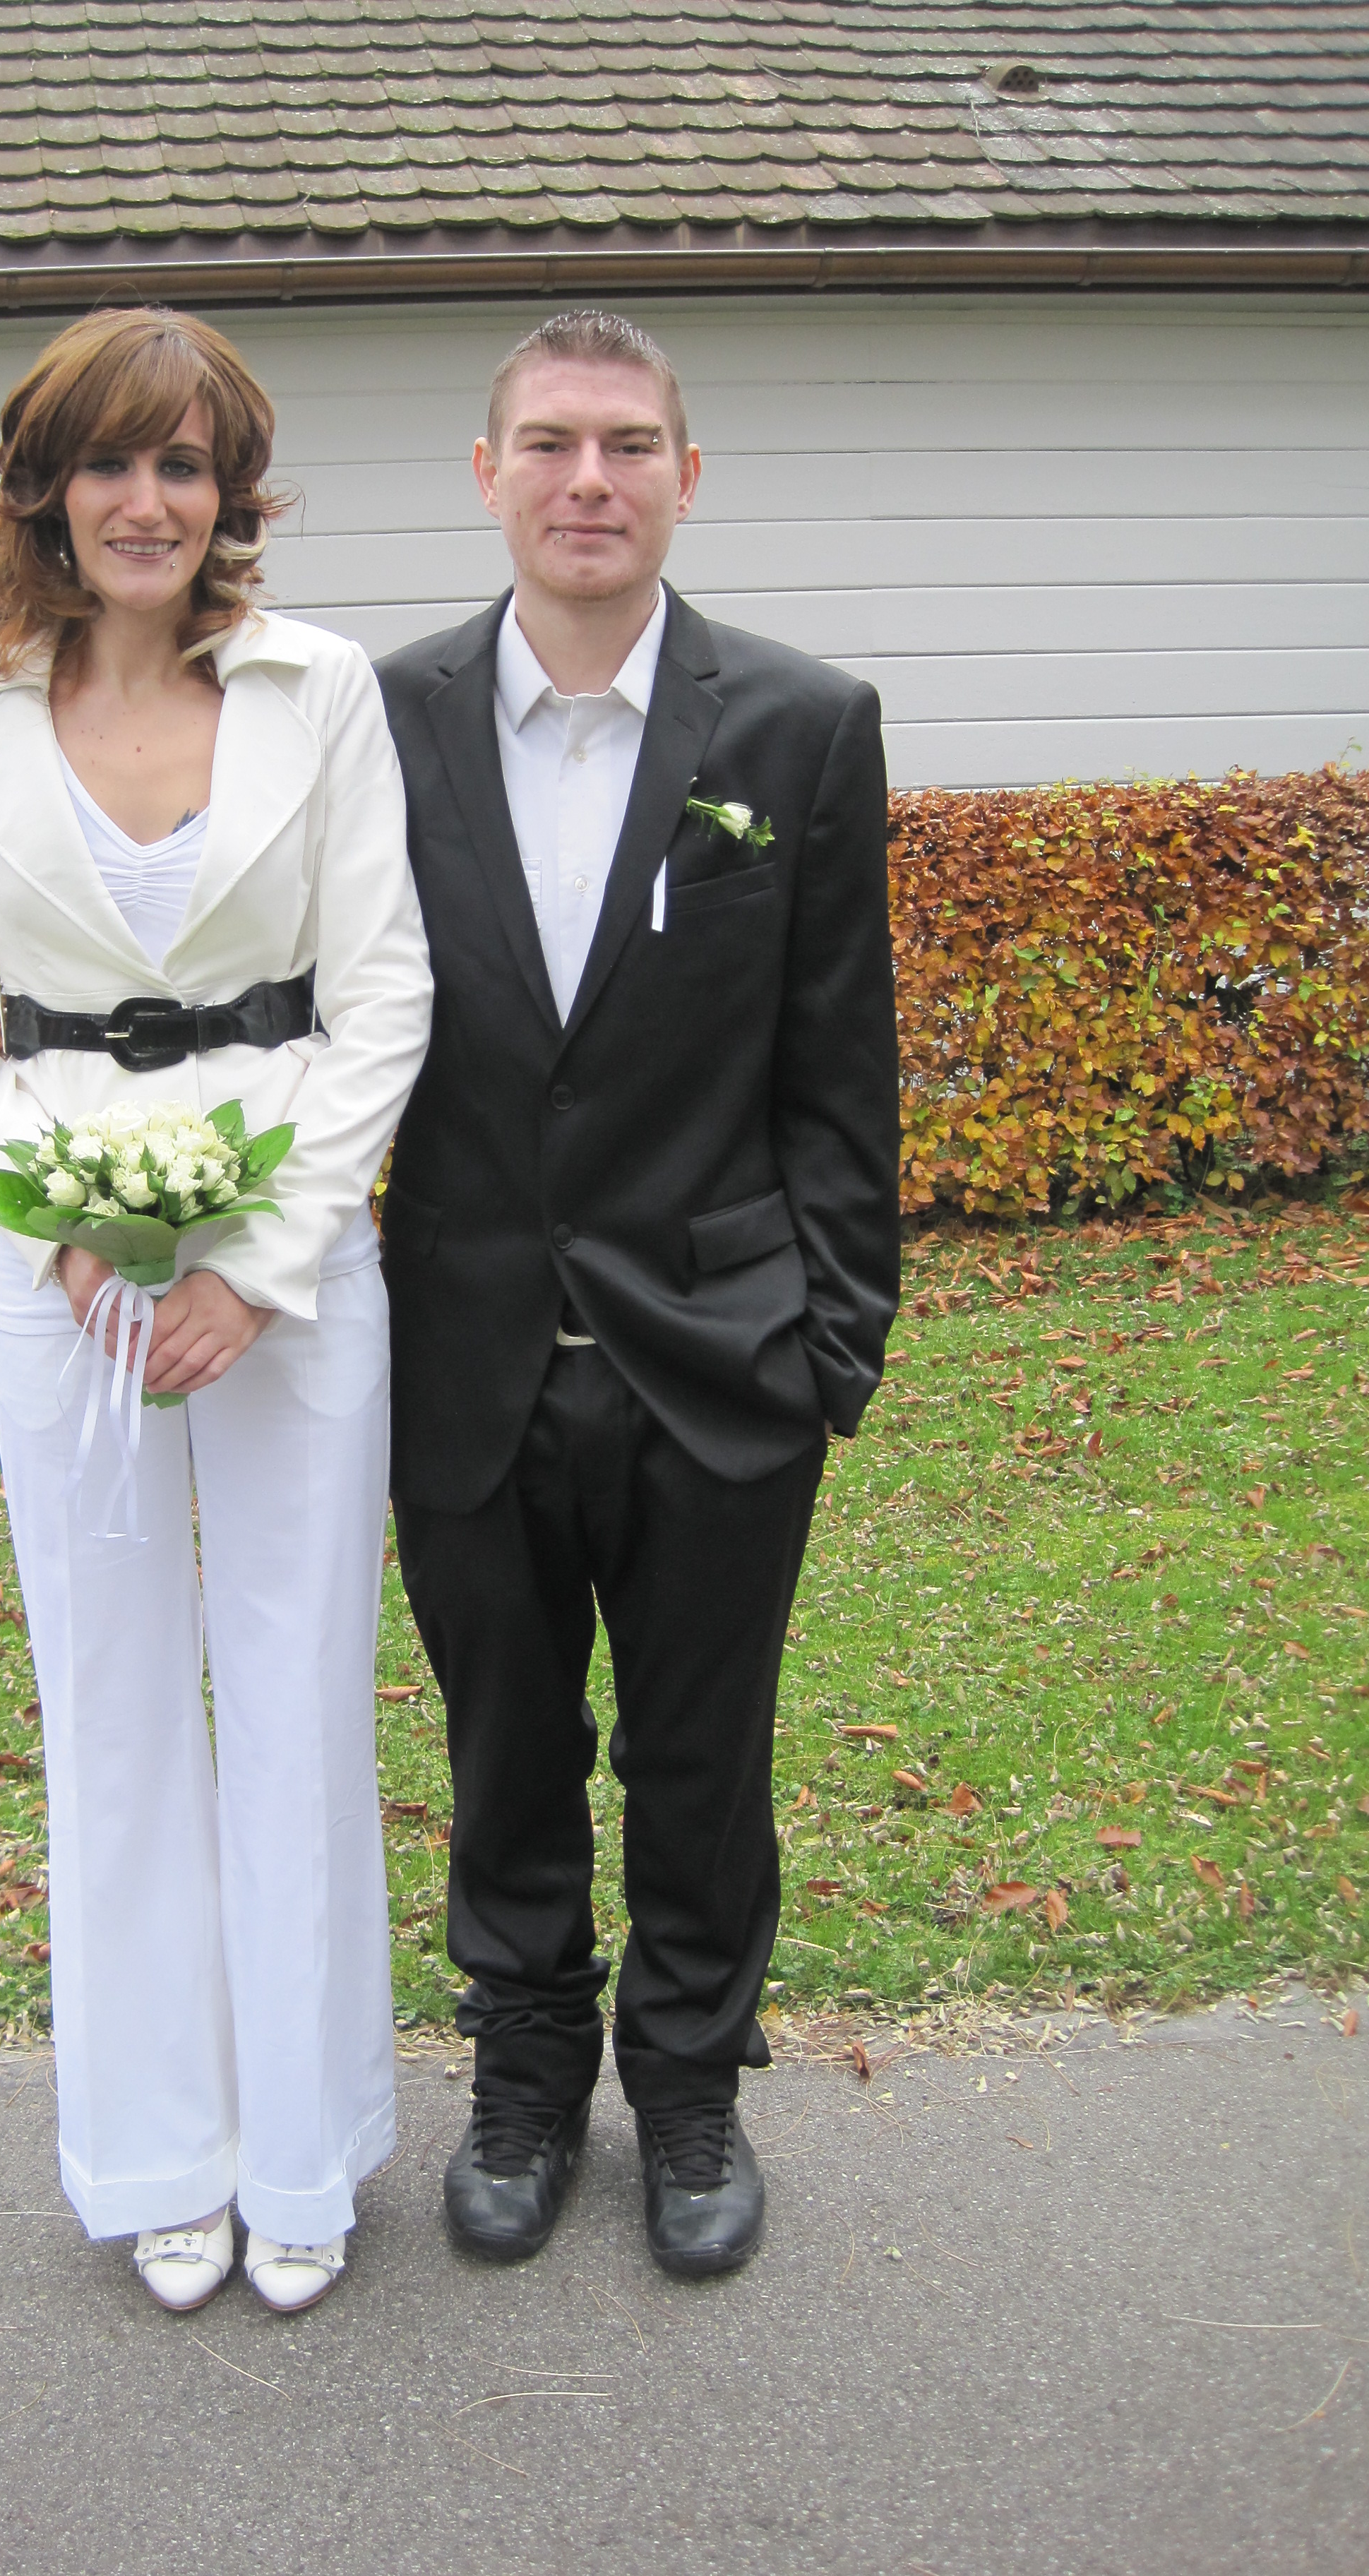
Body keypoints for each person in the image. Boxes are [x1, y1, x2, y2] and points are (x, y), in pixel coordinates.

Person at [0, 308, 433, 2316]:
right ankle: (158, 2155)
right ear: (44, 486)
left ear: (230, 496)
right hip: (67, 1274)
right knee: (112, 1706)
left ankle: (301, 2152)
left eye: (183, 465)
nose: (145, 501)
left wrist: (264, 1269)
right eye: (110, 461)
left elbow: (383, 994)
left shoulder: (320, 688)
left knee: (296, 1691)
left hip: (290, 1262)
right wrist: (61, 1231)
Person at [375, 310, 899, 2279]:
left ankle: (689, 2087)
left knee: (702, 1762)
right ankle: (524, 2077)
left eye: (626, 444)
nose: (587, 480)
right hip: (466, 1358)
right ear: (486, 472)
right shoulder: (378, 721)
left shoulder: (799, 727)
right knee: (502, 1753)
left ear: (689, 473)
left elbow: (840, 1070)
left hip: (722, 1363)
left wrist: (832, 1350)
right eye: (548, 442)